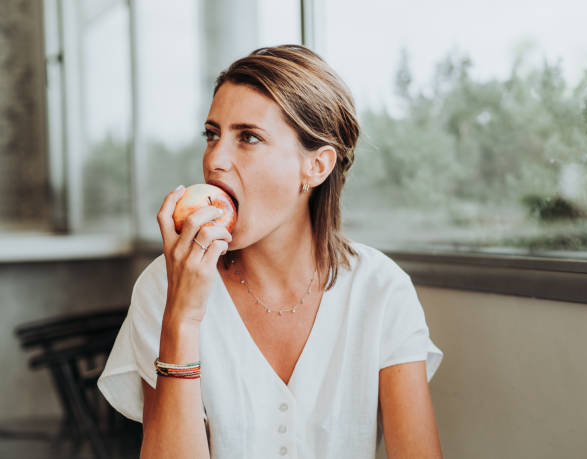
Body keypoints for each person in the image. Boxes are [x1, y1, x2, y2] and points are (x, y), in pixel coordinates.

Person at [98, 44, 444, 459]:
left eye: (248, 137)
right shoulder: (165, 284)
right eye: (212, 135)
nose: (215, 160)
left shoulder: (381, 290)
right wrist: (182, 320)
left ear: (316, 166)